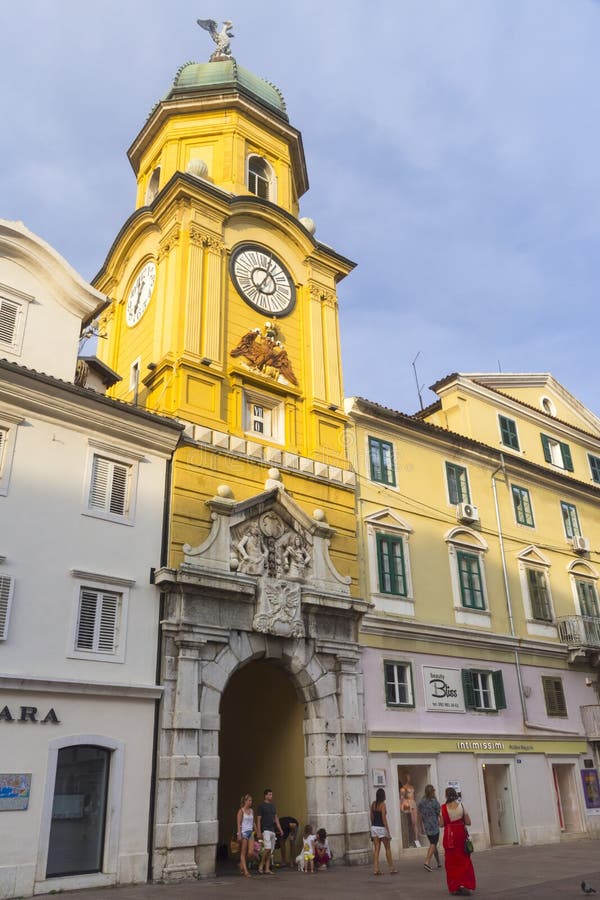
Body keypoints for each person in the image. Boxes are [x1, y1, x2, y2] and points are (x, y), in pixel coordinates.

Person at [439, 786, 476, 896]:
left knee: (451, 862)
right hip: (461, 835)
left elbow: (441, 824)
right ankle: (466, 884)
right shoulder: (461, 806)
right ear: (455, 795)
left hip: (449, 837)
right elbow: (468, 822)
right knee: (464, 860)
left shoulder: (443, 808)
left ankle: (454, 886)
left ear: (446, 796)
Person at [370, 787, 397, 876]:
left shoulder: (373, 804)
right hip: (381, 827)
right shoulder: (383, 805)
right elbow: (384, 819)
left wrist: (373, 826)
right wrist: (388, 832)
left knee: (377, 848)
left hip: (374, 827)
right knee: (387, 848)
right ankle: (391, 867)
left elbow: (371, 817)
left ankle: (376, 868)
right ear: (383, 796)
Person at [256, 788, 283, 875]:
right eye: (270, 794)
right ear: (266, 795)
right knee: (267, 848)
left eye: (272, 794)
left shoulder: (273, 806)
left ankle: (267, 869)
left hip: (272, 830)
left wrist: (280, 829)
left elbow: (276, 818)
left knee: (270, 850)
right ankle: (261, 865)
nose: (271, 796)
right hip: (265, 830)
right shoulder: (261, 806)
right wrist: (259, 831)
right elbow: (258, 819)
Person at [418, 784, 442, 871]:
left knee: (433, 844)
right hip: (434, 826)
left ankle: (438, 862)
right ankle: (427, 862)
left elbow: (419, 815)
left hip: (427, 827)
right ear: (432, 792)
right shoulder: (434, 802)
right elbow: (439, 813)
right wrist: (441, 822)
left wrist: (420, 826)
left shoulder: (421, 802)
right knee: (433, 843)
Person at [236, 793, 254, 878]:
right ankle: (246, 871)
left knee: (250, 852)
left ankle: (241, 864)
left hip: (251, 832)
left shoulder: (251, 811)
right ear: (245, 801)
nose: (251, 802)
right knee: (243, 852)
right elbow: (238, 823)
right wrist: (239, 834)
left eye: (251, 800)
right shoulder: (241, 811)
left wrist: (256, 829)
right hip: (244, 832)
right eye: (249, 800)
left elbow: (253, 821)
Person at [400, 771, 420, 847]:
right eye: (407, 776)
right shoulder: (403, 788)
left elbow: (414, 795)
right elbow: (402, 799)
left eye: (409, 776)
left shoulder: (412, 787)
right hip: (408, 804)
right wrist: (402, 807)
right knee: (410, 823)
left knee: (415, 823)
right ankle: (411, 841)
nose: (409, 778)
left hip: (413, 804)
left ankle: (416, 840)